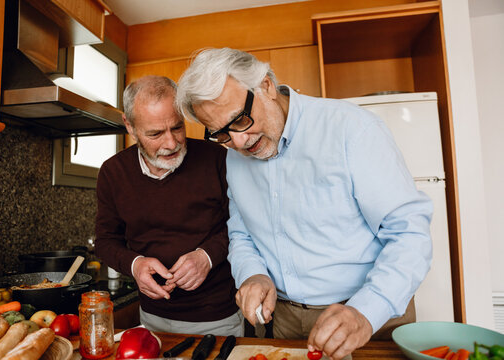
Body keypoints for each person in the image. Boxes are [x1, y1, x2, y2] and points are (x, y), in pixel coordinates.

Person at [176, 48, 433, 359]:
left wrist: (367, 310)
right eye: (221, 134)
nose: (239, 142)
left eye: (240, 120)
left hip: (365, 317)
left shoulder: (351, 128)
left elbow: (409, 234)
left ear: (266, 86)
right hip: (282, 322)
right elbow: (242, 233)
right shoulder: (235, 156)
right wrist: (252, 274)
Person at [95, 75, 243, 336]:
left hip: (219, 316)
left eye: (177, 127)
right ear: (129, 126)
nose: (171, 143)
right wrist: (135, 264)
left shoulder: (219, 158)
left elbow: (244, 225)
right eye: (155, 133)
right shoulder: (112, 172)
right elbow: (106, 241)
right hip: (152, 318)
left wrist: (207, 256)